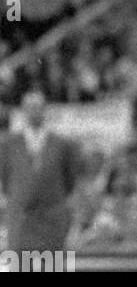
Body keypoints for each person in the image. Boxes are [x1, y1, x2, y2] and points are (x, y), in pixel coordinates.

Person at [0, 90, 84, 260]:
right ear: (23, 111)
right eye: (30, 107)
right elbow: (6, 180)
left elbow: (70, 181)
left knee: (53, 266)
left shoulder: (63, 145)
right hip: (21, 221)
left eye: (38, 107)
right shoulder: (8, 145)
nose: (34, 112)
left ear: (45, 110)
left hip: (52, 221)